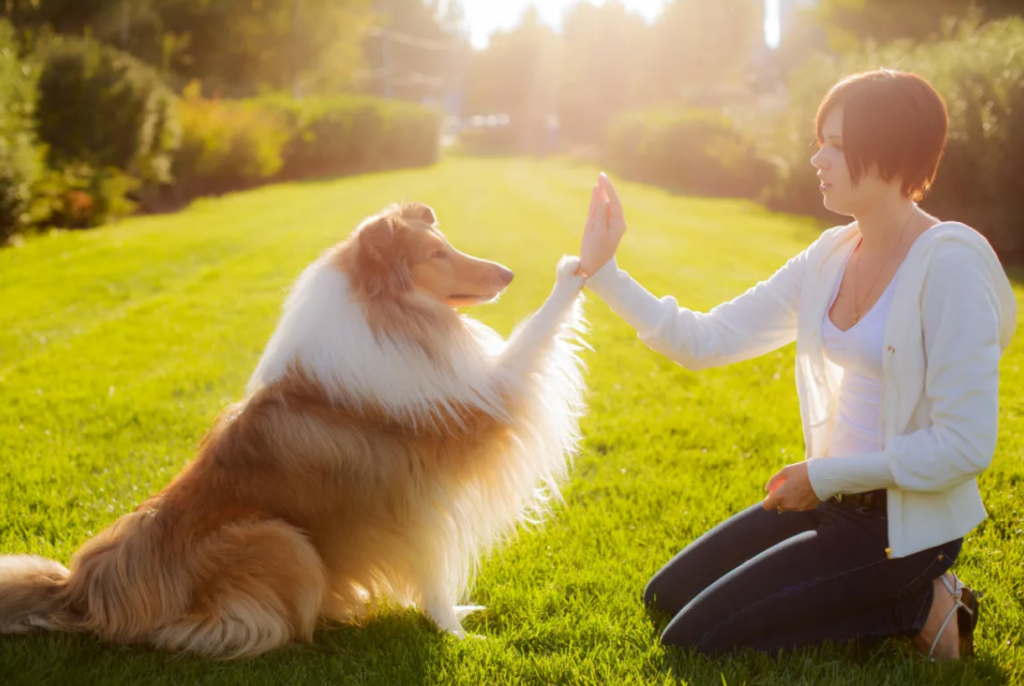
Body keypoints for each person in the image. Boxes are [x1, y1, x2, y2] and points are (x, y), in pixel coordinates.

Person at [572, 69, 1017, 659]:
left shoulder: (950, 265)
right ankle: (895, 599)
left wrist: (824, 475)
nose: (816, 158)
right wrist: (606, 273)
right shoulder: (829, 256)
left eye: (834, 143)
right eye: (819, 140)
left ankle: (920, 599)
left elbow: (965, 448)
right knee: (663, 597)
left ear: (890, 153)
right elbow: (707, 339)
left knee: (693, 643)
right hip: (828, 499)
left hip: (902, 528)